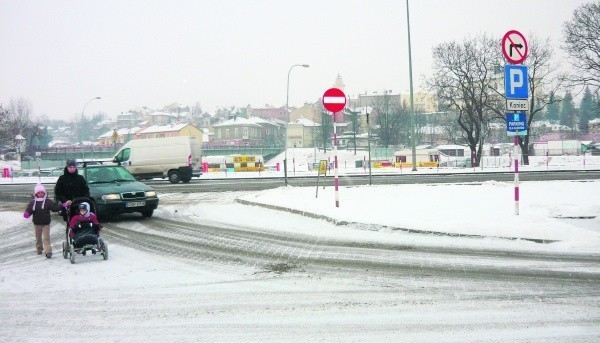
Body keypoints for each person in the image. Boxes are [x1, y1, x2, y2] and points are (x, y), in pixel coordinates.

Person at [23, 183, 64, 258]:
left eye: (42, 192)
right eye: (38, 193)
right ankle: (39, 249)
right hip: (37, 223)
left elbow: (54, 208)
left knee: (46, 238)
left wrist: (62, 206)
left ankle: (48, 251)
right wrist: (27, 213)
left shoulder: (48, 202)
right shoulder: (33, 202)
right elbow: (29, 209)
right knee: (38, 238)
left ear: (45, 193)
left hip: (46, 223)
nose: (40, 194)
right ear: (36, 193)